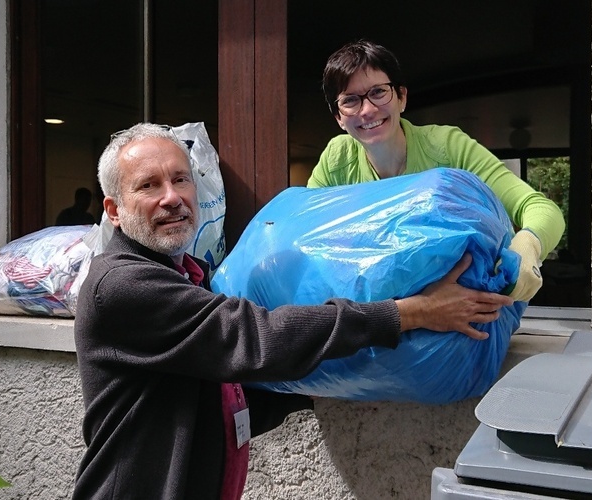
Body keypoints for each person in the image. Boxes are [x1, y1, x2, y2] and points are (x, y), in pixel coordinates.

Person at [72, 122, 514, 499]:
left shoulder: (187, 275)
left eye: (180, 179)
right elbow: (253, 338)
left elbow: (219, 392)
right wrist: (410, 313)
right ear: (114, 209)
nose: (172, 197)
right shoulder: (121, 286)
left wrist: (329, 376)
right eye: (149, 185)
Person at [309, 39, 566, 302]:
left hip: (460, 319)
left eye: (378, 92)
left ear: (401, 97)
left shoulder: (447, 148)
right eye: (350, 100)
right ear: (338, 118)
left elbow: (541, 209)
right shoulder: (337, 160)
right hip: (376, 319)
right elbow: (301, 233)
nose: (367, 109)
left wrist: (528, 245)